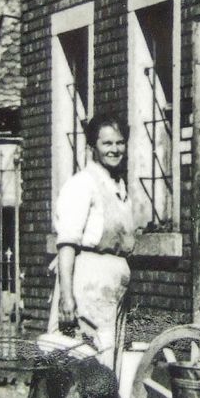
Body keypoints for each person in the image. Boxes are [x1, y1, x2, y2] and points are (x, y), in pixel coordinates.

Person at [48, 115, 136, 371]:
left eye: (120, 143)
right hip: (87, 286)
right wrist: (66, 298)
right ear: (92, 147)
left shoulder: (118, 188)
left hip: (112, 291)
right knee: (82, 360)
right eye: (107, 143)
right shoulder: (82, 184)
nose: (115, 149)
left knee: (109, 362)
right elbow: (67, 244)